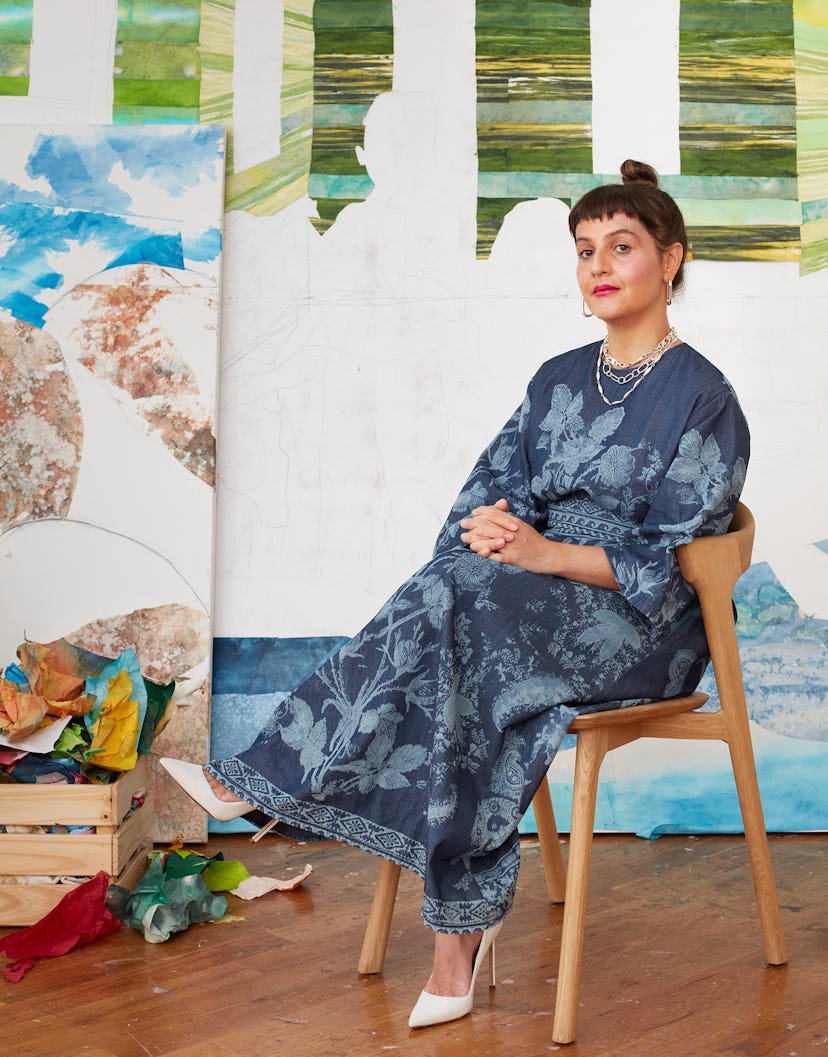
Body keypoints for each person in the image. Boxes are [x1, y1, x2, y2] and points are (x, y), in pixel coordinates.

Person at [160, 159, 749, 1029]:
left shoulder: (706, 398)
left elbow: (666, 557)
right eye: (584, 249)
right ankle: (451, 932)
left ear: (672, 258)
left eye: (621, 246)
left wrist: (543, 553)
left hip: (641, 623)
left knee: (463, 622)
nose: (599, 265)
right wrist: (494, 536)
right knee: (457, 606)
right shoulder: (556, 377)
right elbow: (491, 489)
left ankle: (274, 780)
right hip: (526, 595)